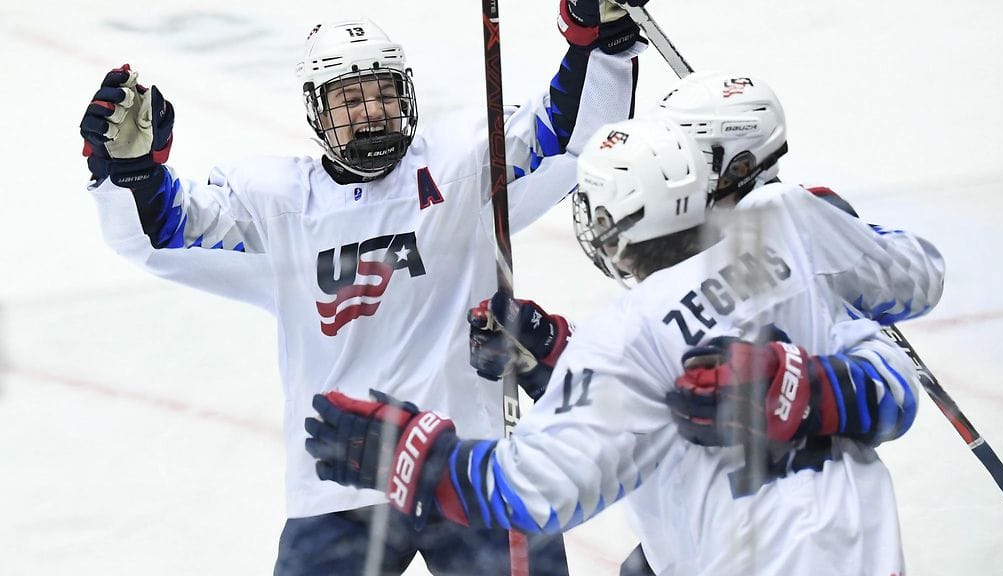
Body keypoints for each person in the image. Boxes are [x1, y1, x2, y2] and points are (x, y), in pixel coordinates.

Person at [78, 2, 652, 574]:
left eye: (381, 94)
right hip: (341, 479)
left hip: (471, 463)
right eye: (350, 100)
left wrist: (598, 38)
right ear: (316, 110)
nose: (371, 112)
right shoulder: (277, 206)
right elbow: (165, 234)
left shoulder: (462, 167)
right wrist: (132, 175)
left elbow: (568, 139)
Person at [302, 115, 945, 575]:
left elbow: (531, 493)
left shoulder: (622, 339)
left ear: (612, 229)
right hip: (868, 549)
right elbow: (899, 356)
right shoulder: (791, 225)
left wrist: (423, 457)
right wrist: (815, 389)